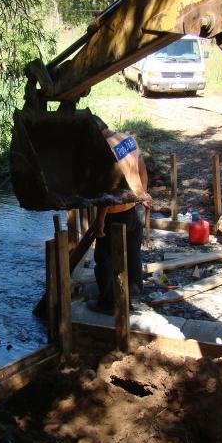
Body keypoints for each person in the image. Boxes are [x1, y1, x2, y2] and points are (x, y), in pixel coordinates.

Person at [88, 117, 152, 314]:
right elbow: (142, 168)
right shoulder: (128, 139)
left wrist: (100, 220)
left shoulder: (105, 149)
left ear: (97, 134)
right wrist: (143, 195)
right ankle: (134, 298)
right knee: (133, 254)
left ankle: (107, 303)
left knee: (104, 257)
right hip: (134, 208)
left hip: (114, 215)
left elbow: (110, 188)